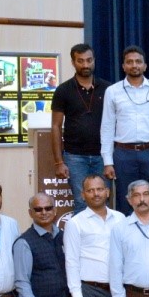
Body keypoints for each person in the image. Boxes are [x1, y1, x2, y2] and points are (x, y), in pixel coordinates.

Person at [100, 45, 149, 219]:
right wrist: (108, 161)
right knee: (126, 201)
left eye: (138, 62)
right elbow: (107, 126)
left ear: (145, 66)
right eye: (130, 62)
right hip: (124, 154)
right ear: (123, 66)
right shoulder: (112, 91)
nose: (134, 65)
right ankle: (127, 242)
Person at [50, 43, 110, 208]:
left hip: (103, 155)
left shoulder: (108, 89)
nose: (85, 65)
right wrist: (58, 162)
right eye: (80, 61)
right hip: (75, 157)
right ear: (73, 62)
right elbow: (55, 126)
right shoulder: (63, 90)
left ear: (94, 61)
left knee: (104, 200)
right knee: (81, 200)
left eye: (89, 60)